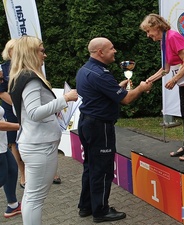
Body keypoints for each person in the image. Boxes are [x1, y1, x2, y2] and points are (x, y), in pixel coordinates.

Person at [76, 37, 152, 223]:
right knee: (102, 169)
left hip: (87, 123)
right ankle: (101, 211)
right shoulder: (101, 74)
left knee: (90, 166)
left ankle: (86, 206)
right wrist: (141, 88)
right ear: (100, 52)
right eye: (111, 48)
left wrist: (117, 87)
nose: (115, 51)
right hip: (99, 126)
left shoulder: (85, 69)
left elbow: (101, 93)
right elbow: (125, 100)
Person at [8, 35, 78, 225]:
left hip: (33, 143)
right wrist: (65, 99)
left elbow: (19, 110)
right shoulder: (30, 79)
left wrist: (52, 110)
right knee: (35, 197)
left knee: (32, 196)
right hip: (40, 145)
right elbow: (33, 113)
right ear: (30, 52)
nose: (44, 55)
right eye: (41, 50)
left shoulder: (19, 77)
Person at [140, 13, 184, 161]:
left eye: (148, 31)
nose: (147, 35)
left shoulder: (173, 37)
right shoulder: (163, 41)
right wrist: (149, 80)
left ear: (156, 27)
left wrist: (174, 80)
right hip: (183, 80)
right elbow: (165, 68)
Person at [0, 39, 25, 188]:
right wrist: (20, 106)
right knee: (14, 141)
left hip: (26, 108)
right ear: (8, 52)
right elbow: (2, 93)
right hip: (11, 108)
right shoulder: (3, 69)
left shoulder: (26, 67)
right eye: (14, 50)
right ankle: (23, 174)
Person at [0, 68, 21, 219]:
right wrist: (21, 125)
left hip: (2, 144)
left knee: (12, 170)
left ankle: (12, 205)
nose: (2, 81)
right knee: (2, 177)